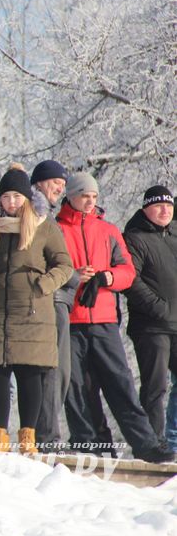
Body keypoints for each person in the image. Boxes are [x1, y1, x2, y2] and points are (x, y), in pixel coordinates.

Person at [57, 172, 174, 463]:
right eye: (85, 196)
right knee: (77, 388)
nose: (90, 201)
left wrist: (107, 276)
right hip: (70, 320)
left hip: (105, 319)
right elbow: (50, 269)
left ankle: (146, 444)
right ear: (71, 196)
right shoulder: (56, 228)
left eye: (94, 196)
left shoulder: (108, 230)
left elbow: (127, 272)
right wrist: (73, 277)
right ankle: (90, 443)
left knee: (120, 383)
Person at [0, 165, 73, 453]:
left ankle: (28, 436)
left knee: (29, 373)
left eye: (17, 197)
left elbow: (65, 265)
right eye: (6, 197)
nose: (12, 202)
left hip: (33, 313)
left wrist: (44, 285)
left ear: (28, 199)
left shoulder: (44, 226)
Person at [29, 159, 79, 450]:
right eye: (54, 182)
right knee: (52, 370)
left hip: (57, 299)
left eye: (63, 184)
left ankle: (46, 435)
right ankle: (47, 438)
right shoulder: (37, 214)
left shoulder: (48, 214)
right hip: (49, 300)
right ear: (38, 183)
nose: (60, 187)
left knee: (60, 372)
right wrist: (67, 278)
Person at [122, 186, 177, 443]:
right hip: (151, 326)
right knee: (155, 388)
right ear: (146, 209)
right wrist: (159, 307)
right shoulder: (134, 237)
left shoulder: (174, 234)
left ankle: (173, 438)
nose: (165, 210)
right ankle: (152, 443)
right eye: (158, 206)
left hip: (175, 323)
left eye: (168, 205)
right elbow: (130, 280)